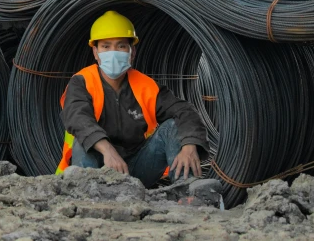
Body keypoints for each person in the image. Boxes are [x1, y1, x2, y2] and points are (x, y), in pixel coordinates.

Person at [57, 11, 208, 188]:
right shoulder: (82, 81)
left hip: (136, 169)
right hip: (95, 166)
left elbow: (185, 111)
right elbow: (78, 118)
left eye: (121, 46)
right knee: (83, 140)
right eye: (106, 46)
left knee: (173, 127)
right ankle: (87, 195)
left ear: (132, 51)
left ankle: (188, 189)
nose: (113, 52)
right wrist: (107, 150)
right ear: (95, 52)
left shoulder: (146, 86)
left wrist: (189, 145)